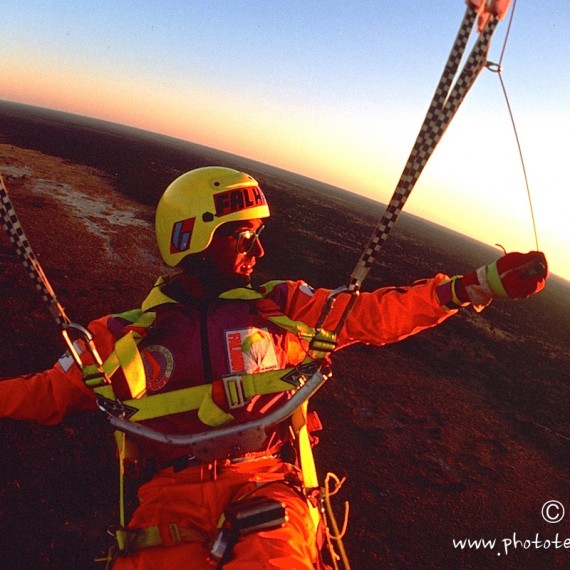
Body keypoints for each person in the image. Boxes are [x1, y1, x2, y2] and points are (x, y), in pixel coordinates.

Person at [0, 166, 548, 569]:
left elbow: (373, 314)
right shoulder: (121, 336)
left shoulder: (282, 306)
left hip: (268, 486)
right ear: (192, 238)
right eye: (244, 236)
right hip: (170, 500)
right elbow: (47, 392)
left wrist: (473, 287)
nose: (258, 252)